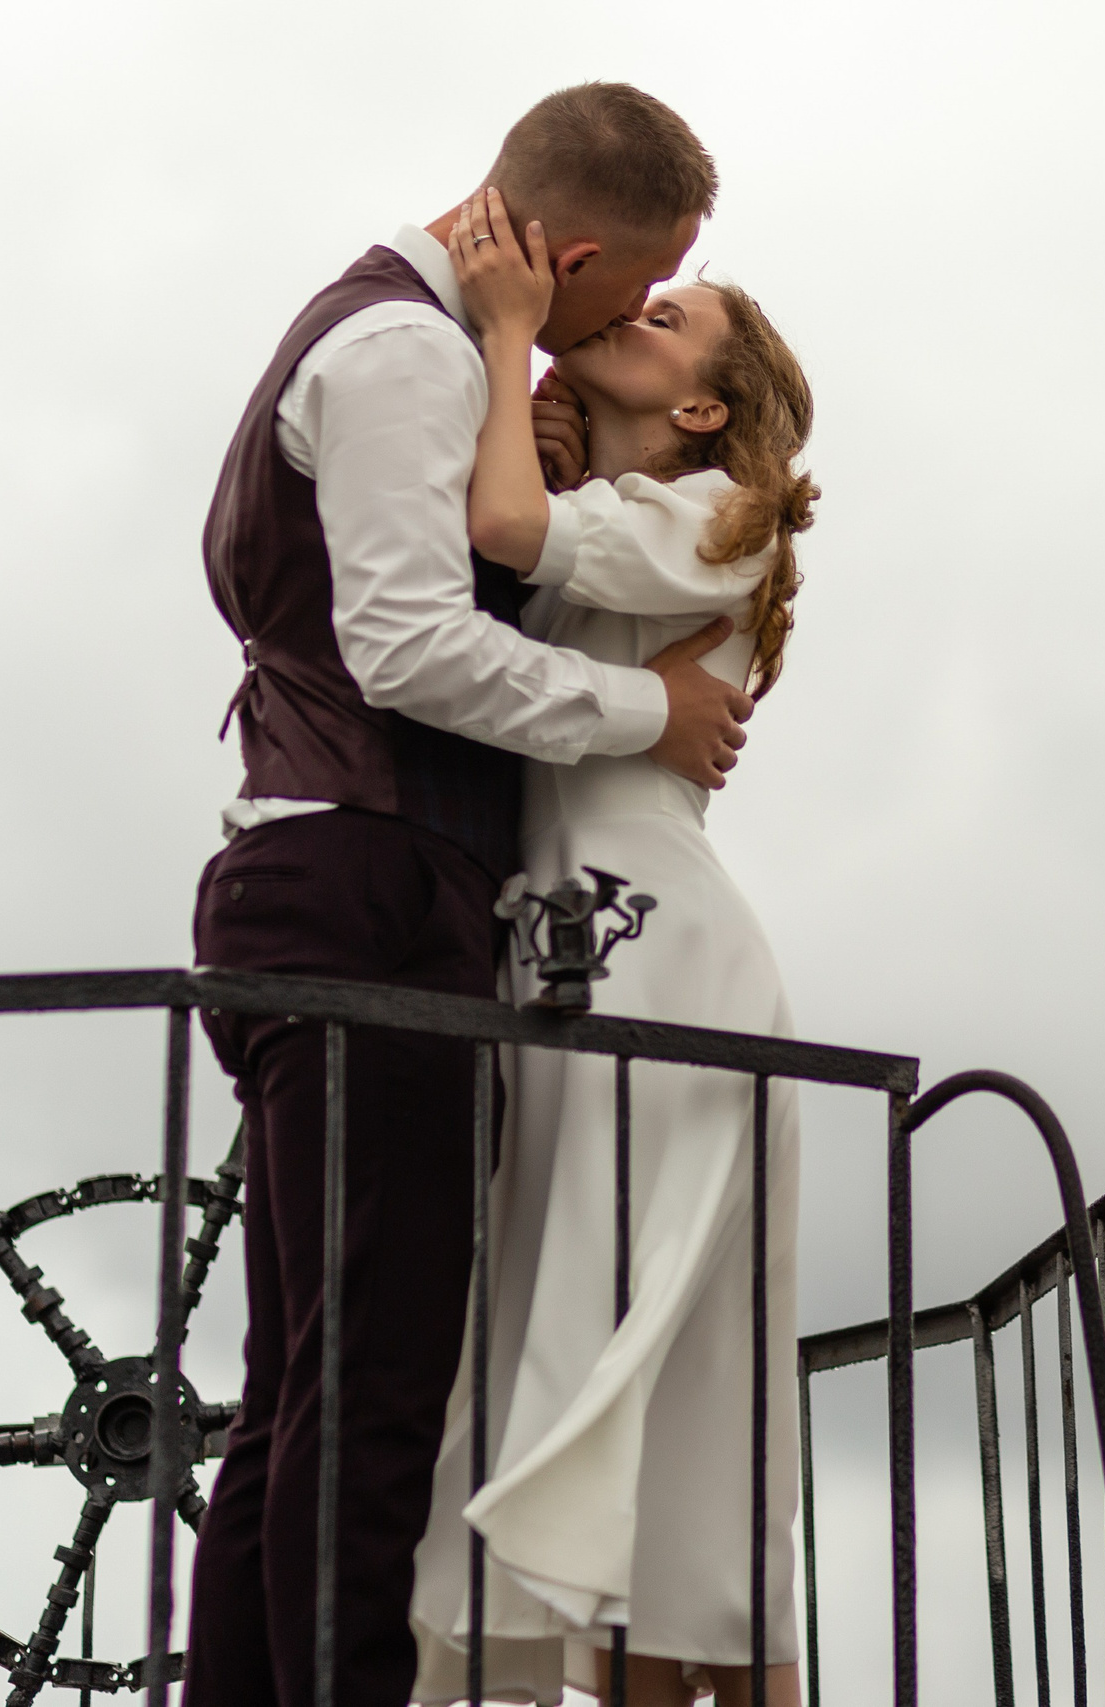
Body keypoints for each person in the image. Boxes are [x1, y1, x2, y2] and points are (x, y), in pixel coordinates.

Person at [187, 84, 754, 1707]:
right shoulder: (406, 356)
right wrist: (650, 711)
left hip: (331, 878)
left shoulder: (409, 347)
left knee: (305, 1389)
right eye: (638, 286)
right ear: (573, 261)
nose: (628, 316)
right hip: (365, 891)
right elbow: (410, 647)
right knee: (368, 1393)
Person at [400, 188, 814, 1707]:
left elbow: (504, 530)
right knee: (632, 1375)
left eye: (670, 315)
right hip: (576, 946)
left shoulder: (710, 521)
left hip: (655, 952)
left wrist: (511, 332)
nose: (638, 310)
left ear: (705, 405)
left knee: (661, 1370)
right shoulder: (626, 516)